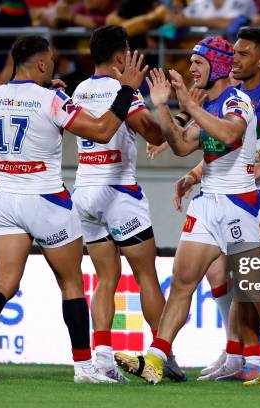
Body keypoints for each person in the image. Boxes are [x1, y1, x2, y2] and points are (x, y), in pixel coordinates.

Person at [0, 35, 148, 385]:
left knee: (3, 282)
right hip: (45, 200)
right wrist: (127, 91)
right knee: (72, 284)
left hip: (4, 200)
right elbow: (103, 131)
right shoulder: (53, 98)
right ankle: (84, 368)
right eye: (52, 61)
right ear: (42, 64)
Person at [115, 36, 260, 386]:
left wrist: (190, 107)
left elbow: (229, 134)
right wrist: (163, 108)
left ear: (219, 65)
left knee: (258, 292)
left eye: (198, 62)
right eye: (191, 61)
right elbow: (180, 146)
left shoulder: (237, 101)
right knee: (183, 281)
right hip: (207, 204)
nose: (191, 68)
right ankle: (156, 356)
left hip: (240, 207)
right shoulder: (207, 104)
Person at [171, 27, 260, 384]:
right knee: (223, 275)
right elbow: (224, 146)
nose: (234, 59)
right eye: (233, 53)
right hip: (238, 193)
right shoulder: (234, 96)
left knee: (248, 279)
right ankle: (240, 352)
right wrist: (196, 173)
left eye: (242, 55)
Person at [71, 25, 186, 383]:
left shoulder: (80, 89)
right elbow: (153, 132)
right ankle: (163, 355)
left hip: (84, 193)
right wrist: (160, 105)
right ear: (121, 56)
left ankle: (102, 357)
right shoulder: (123, 91)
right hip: (119, 192)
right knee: (145, 276)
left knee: (105, 277)